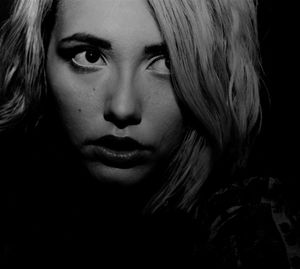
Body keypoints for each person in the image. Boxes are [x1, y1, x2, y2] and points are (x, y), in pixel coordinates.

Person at [0, 0, 299, 267]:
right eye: (89, 56)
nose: (123, 106)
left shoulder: (253, 233)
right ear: (38, 57)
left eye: (167, 62)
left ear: (212, 74)